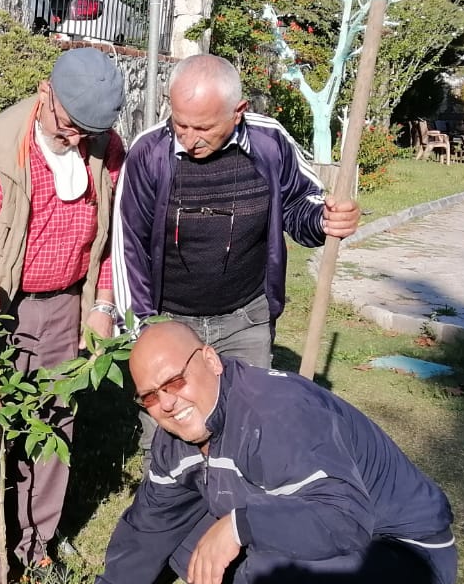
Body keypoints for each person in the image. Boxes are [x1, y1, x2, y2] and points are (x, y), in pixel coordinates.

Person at [71, 321, 458, 584]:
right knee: (183, 543)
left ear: (211, 361)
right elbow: (152, 519)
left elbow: (343, 519)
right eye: (150, 396)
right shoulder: (177, 439)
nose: (167, 402)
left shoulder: (278, 412)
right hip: (349, 556)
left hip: (408, 558)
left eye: (174, 381)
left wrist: (240, 525)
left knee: (278, 564)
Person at [0, 46, 127, 584]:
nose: (76, 140)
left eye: (88, 132)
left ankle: (35, 542)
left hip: (65, 304)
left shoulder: (106, 149)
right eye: (69, 125)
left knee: (52, 423)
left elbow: (113, 233)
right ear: (46, 94)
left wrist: (101, 305)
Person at [112, 53, 361, 372]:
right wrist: (144, 332)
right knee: (170, 420)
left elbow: (300, 203)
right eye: (180, 124)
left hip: (246, 321)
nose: (189, 140)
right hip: (169, 321)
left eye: (202, 128)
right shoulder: (149, 154)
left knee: (246, 417)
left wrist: (324, 219)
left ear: (238, 112)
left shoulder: (269, 142)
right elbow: (128, 249)